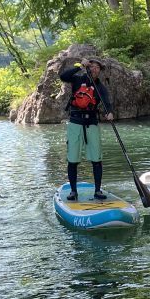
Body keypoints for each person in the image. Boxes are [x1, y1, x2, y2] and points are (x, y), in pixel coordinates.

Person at [59, 57, 114, 200]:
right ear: (88, 67)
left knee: (97, 159)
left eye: (97, 67)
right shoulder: (78, 79)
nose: (94, 69)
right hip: (75, 123)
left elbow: (107, 102)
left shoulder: (100, 87)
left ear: (100, 70)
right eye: (92, 66)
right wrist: (79, 66)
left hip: (92, 124)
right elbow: (63, 76)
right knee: (73, 159)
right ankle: (73, 191)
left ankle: (97, 190)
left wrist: (110, 112)